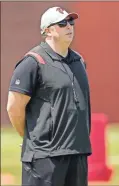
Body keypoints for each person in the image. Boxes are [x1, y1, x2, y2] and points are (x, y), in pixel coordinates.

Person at [7, 6, 92, 186]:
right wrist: (30, 138)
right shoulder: (32, 62)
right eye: (62, 23)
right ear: (48, 30)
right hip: (45, 158)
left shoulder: (79, 61)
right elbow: (14, 107)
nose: (69, 27)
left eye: (71, 22)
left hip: (77, 154)